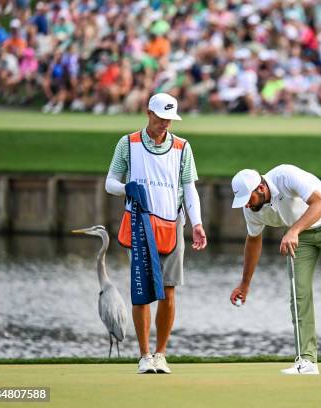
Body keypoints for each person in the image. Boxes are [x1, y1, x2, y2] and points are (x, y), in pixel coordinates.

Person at [229, 165, 321, 375]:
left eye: (248, 198)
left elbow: (320, 204)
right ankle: (307, 361)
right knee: (299, 294)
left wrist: (293, 230)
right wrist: (245, 283)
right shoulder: (251, 209)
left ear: (260, 187)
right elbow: (253, 241)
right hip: (301, 234)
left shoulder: (286, 176)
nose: (247, 205)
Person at [105, 93, 207, 374]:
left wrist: (196, 223)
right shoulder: (128, 143)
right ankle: (144, 355)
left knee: (169, 292)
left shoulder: (183, 147)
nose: (165, 124)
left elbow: (189, 189)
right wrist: (127, 188)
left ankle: (161, 354)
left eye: (170, 119)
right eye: (161, 118)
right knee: (142, 292)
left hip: (173, 225)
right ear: (148, 113)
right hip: (139, 224)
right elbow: (110, 182)